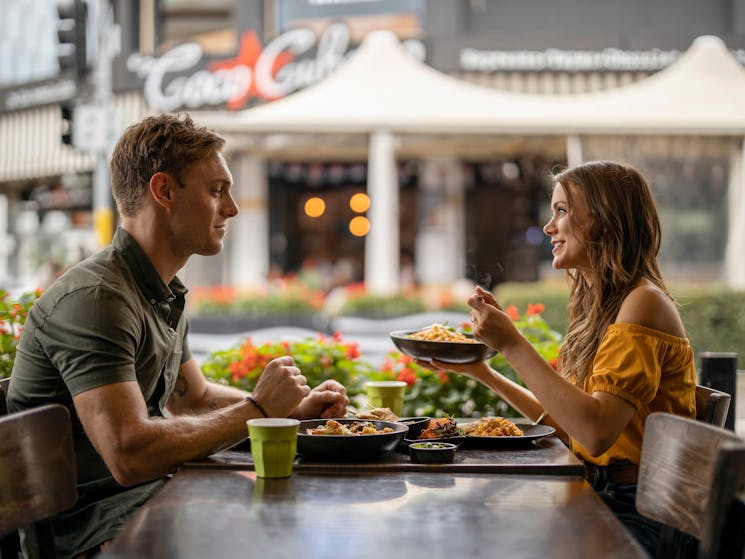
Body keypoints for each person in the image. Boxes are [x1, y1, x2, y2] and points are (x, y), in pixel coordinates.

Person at [7, 113, 349, 559]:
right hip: (97, 532)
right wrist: (259, 409)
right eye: (216, 190)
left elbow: (197, 398)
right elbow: (128, 456)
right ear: (164, 191)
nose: (232, 208)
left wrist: (293, 411)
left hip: (152, 502)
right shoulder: (96, 299)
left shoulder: (158, 288)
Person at [421, 160, 696, 554]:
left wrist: (513, 344)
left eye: (562, 210)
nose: (549, 226)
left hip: (639, 514)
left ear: (603, 221)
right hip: (602, 496)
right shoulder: (601, 307)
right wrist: (484, 371)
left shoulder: (644, 303)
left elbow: (596, 434)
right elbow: (570, 424)